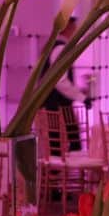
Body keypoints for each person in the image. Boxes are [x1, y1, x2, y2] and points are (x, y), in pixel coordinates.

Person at [39, 16, 85, 150]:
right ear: (67, 29)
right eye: (74, 28)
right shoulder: (60, 48)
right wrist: (81, 97)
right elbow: (60, 80)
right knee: (65, 135)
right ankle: (65, 159)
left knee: (58, 134)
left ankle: (59, 160)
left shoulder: (52, 46)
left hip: (54, 99)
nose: (75, 32)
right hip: (57, 100)